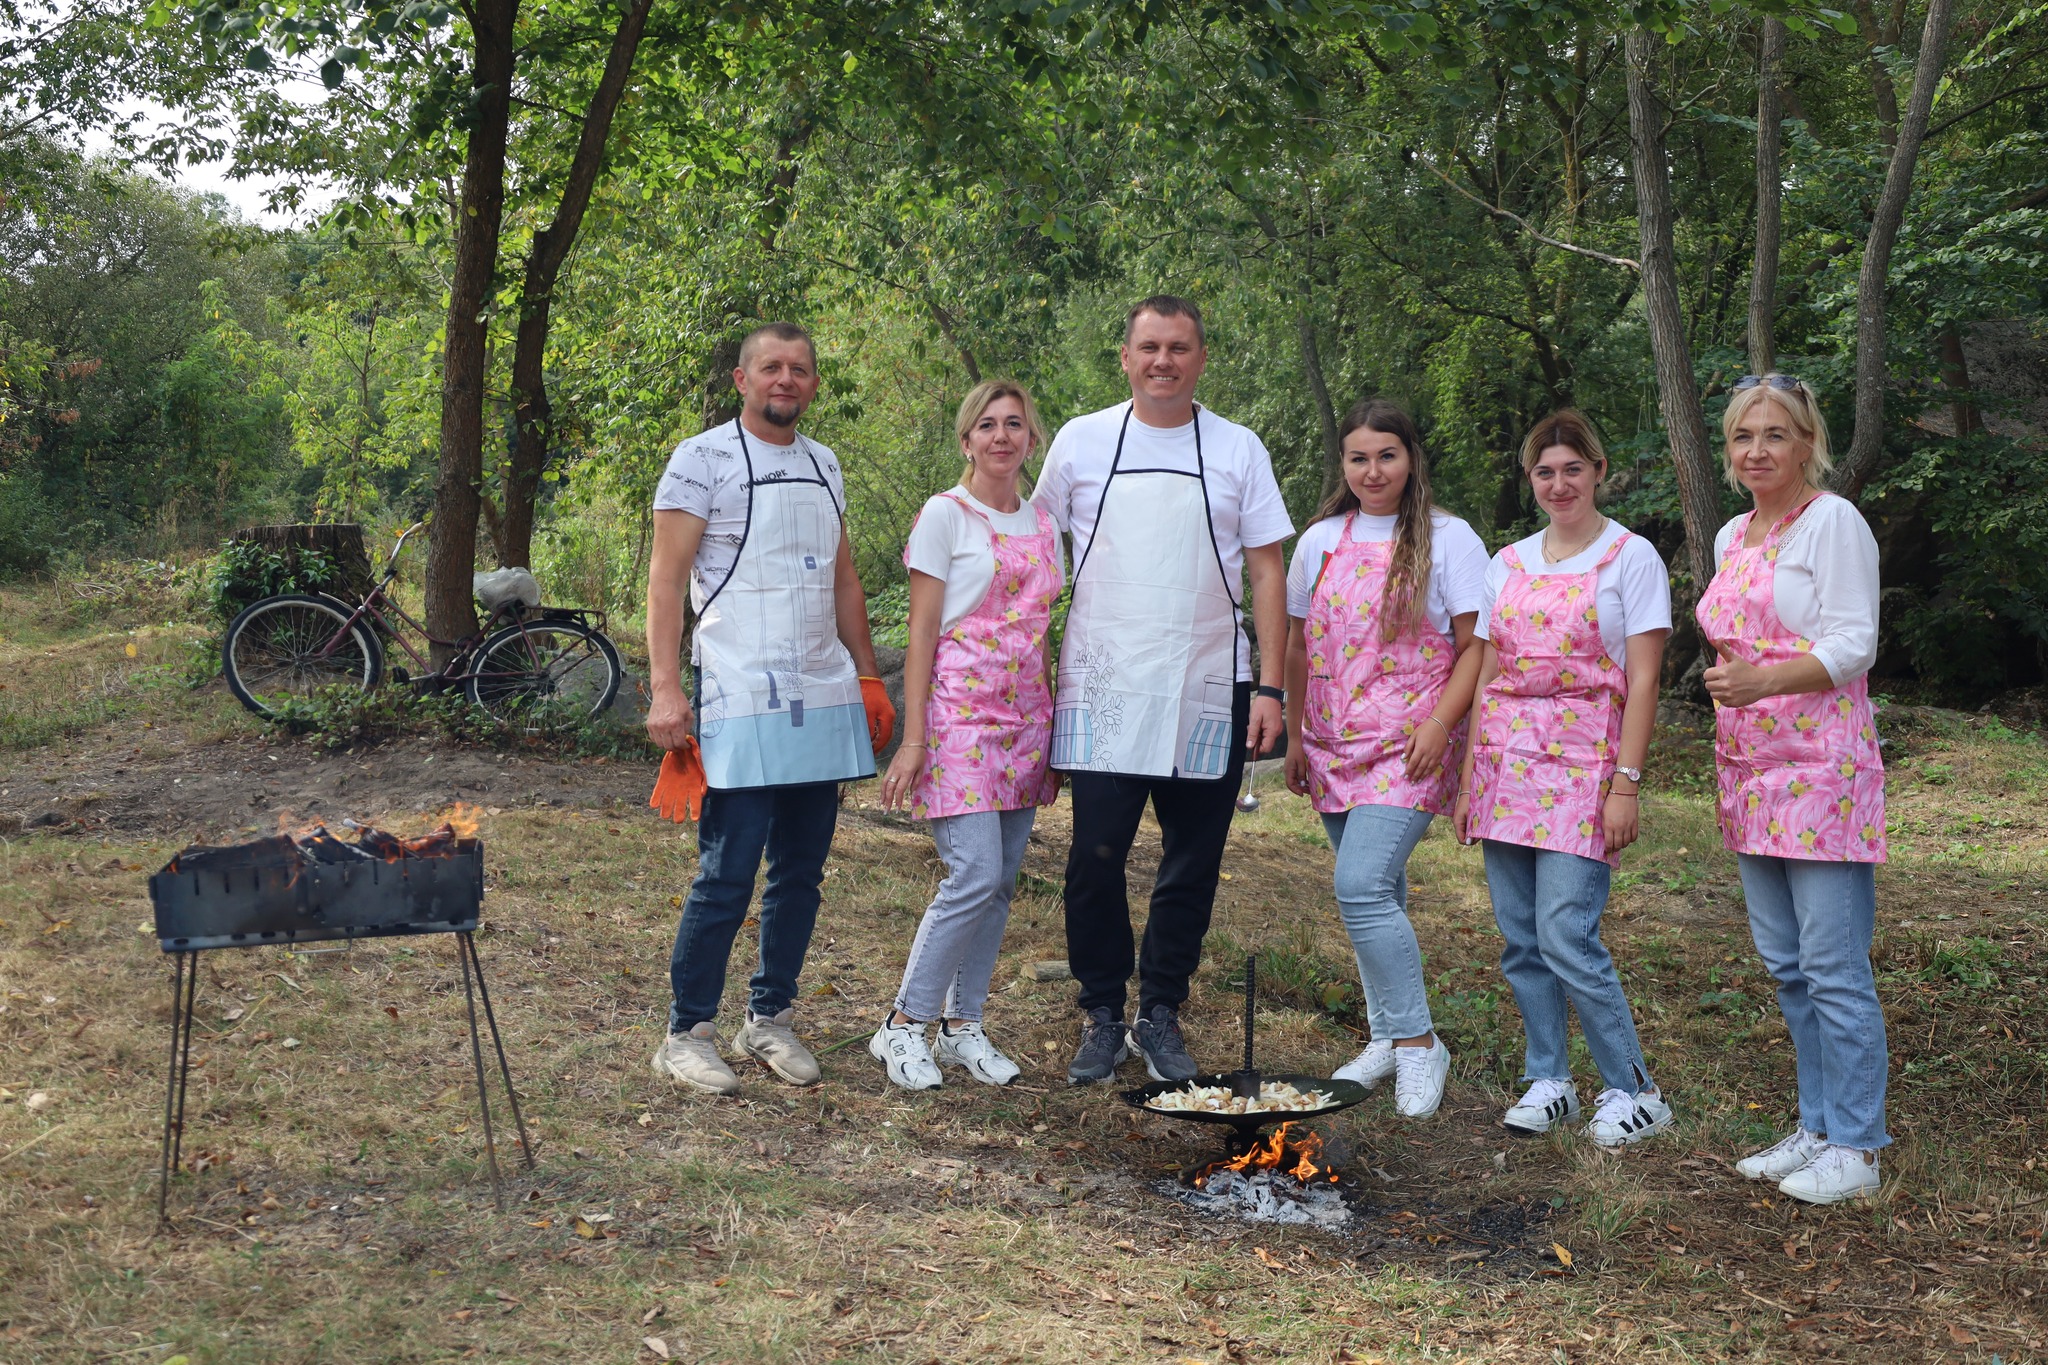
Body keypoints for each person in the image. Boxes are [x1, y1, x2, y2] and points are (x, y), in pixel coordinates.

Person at [1035, 295, 1294, 1085]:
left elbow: (1267, 571)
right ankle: (1103, 1011)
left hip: (1208, 680)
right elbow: (1034, 552)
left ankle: (1162, 1011)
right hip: (1105, 682)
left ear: (1201, 358)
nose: (1163, 361)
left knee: (1191, 861)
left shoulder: (1237, 447)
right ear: (1125, 357)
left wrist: (1272, 689)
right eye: (1149, 346)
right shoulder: (1081, 441)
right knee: (1093, 858)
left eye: (1179, 347)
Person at [644, 322, 894, 1095]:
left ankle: (770, 1016)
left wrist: (868, 673)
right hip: (739, 692)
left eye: (800, 369)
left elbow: (845, 579)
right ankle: (687, 1031)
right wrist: (663, 686)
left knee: (801, 871)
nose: (786, 379)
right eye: (771, 368)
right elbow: (665, 576)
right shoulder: (701, 459)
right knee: (728, 871)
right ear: (742, 379)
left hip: (820, 691)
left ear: (814, 383)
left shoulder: (825, 464)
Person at [1455, 409, 1674, 1147]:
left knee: (1565, 930)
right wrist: (1466, 780)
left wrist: (1627, 783)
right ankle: (1549, 1078)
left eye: (1572, 468)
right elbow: (1486, 670)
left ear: (1599, 471)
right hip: (1504, 769)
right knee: (1520, 935)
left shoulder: (1630, 557)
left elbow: (1644, 680)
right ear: (1531, 480)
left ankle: (1633, 1088)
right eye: (1545, 471)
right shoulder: (1508, 562)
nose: (1559, 483)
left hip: (1585, 764)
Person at [1698, 374, 1888, 1203]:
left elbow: (1855, 640)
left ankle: (1857, 1144)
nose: (1758, 450)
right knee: (1786, 964)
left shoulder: (1834, 522)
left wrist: (1765, 680)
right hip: (1750, 767)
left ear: (1809, 441)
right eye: (1744, 436)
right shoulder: (1730, 535)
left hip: (1823, 772)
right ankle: (1815, 1125)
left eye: (1776, 434)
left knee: (1833, 964)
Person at [1281, 399, 1488, 1118]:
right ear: (1343, 465)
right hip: (1334, 742)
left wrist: (1441, 725)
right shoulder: (1320, 541)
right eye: (1358, 457)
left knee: (1360, 884)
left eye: (1387, 455)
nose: (1373, 470)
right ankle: (1384, 1033)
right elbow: (1300, 644)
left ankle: (1419, 1043)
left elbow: (1474, 647)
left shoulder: (1449, 538)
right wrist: (1297, 733)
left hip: (1411, 744)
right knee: (1382, 894)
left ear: (1412, 458)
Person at [870, 381, 1064, 1090]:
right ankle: (903, 1025)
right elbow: (921, 632)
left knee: (1002, 882)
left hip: (1026, 724)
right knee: (973, 873)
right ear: (966, 440)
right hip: (958, 720)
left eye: (1015, 424)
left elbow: (1041, 632)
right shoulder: (944, 517)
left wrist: (1056, 732)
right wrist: (914, 738)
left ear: (1031, 440)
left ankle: (963, 1025)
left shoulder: (1043, 524)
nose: (1001, 436)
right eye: (987, 425)